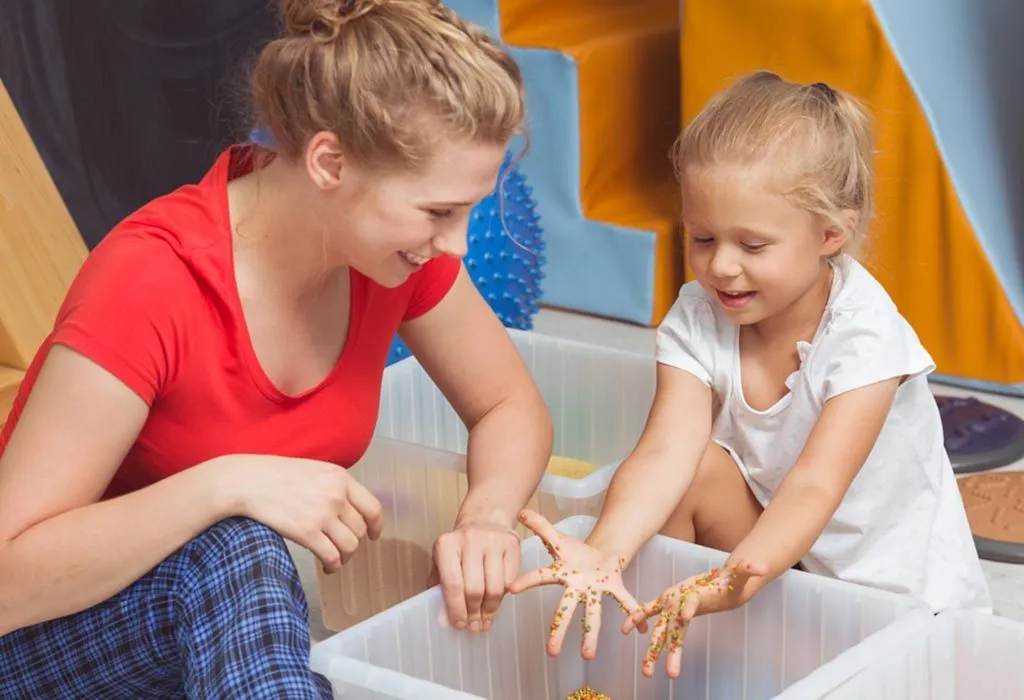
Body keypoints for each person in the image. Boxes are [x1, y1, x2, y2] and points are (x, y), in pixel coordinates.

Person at [0, 0, 553, 697]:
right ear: (330, 162)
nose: (458, 244)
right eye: (439, 211)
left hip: (191, 637)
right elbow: (7, 581)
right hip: (33, 642)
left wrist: (488, 516)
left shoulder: (394, 255)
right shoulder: (152, 280)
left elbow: (509, 404)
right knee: (239, 542)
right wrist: (225, 483)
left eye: (469, 210)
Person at [511, 71, 992, 680]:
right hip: (783, 566)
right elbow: (664, 452)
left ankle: (744, 642)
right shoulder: (699, 313)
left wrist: (736, 581)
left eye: (753, 245)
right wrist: (603, 550)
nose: (722, 266)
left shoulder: (865, 336)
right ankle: (694, 657)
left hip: (902, 604)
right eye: (703, 237)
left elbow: (815, 484)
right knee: (693, 472)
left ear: (829, 234)